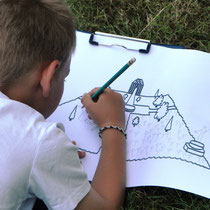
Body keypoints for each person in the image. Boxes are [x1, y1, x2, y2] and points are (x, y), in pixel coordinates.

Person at [0, 0, 126, 209]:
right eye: (65, 77)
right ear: (48, 77)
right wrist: (113, 124)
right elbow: (103, 206)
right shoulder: (39, 142)